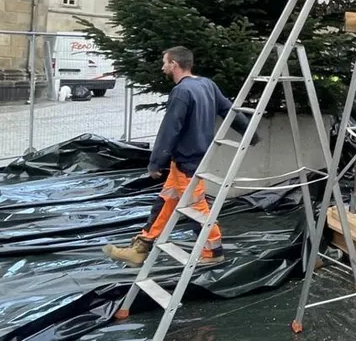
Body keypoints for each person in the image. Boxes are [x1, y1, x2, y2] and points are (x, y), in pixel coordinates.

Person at [103, 46, 258, 266]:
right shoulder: (207, 85)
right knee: (166, 201)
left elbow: (170, 129)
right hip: (187, 161)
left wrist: (156, 163)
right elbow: (229, 109)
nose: (163, 67)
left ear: (174, 64)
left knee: (196, 208)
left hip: (188, 161)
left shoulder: (182, 91)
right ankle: (142, 246)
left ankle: (213, 252)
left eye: (165, 62)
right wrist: (251, 134)